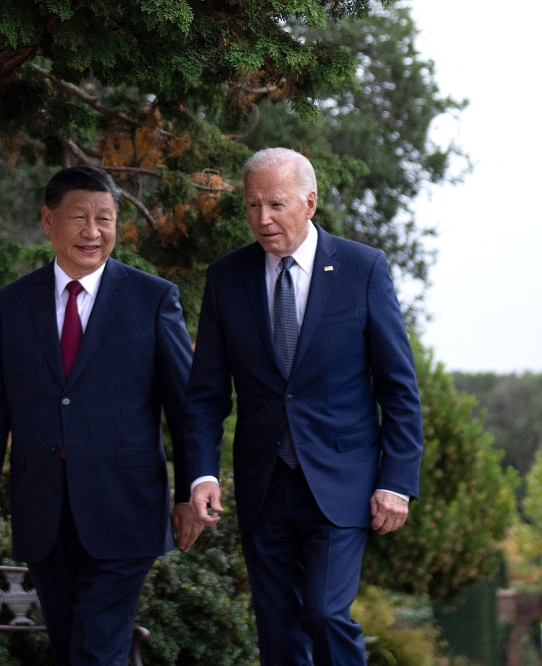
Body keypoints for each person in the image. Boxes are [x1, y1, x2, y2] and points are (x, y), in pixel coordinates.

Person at [185, 148, 424, 666]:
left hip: (342, 479)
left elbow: (397, 387)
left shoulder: (363, 269)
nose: (263, 219)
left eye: (276, 203)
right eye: (252, 206)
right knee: (278, 633)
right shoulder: (227, 278)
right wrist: (201, 473)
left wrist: (396, 481)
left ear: (310, 202)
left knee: (323, 611)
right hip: (263, 483)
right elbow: (205, 394)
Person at [0, 166, 200, 666]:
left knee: (95, 650)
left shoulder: (153, 299)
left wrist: (189, 490)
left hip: (126, 510)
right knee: (73, 646)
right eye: (79, 217)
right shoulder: (11, 304)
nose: (93, 232)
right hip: (43, 511)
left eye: (105, 219)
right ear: (48, 220)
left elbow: (185, 404)